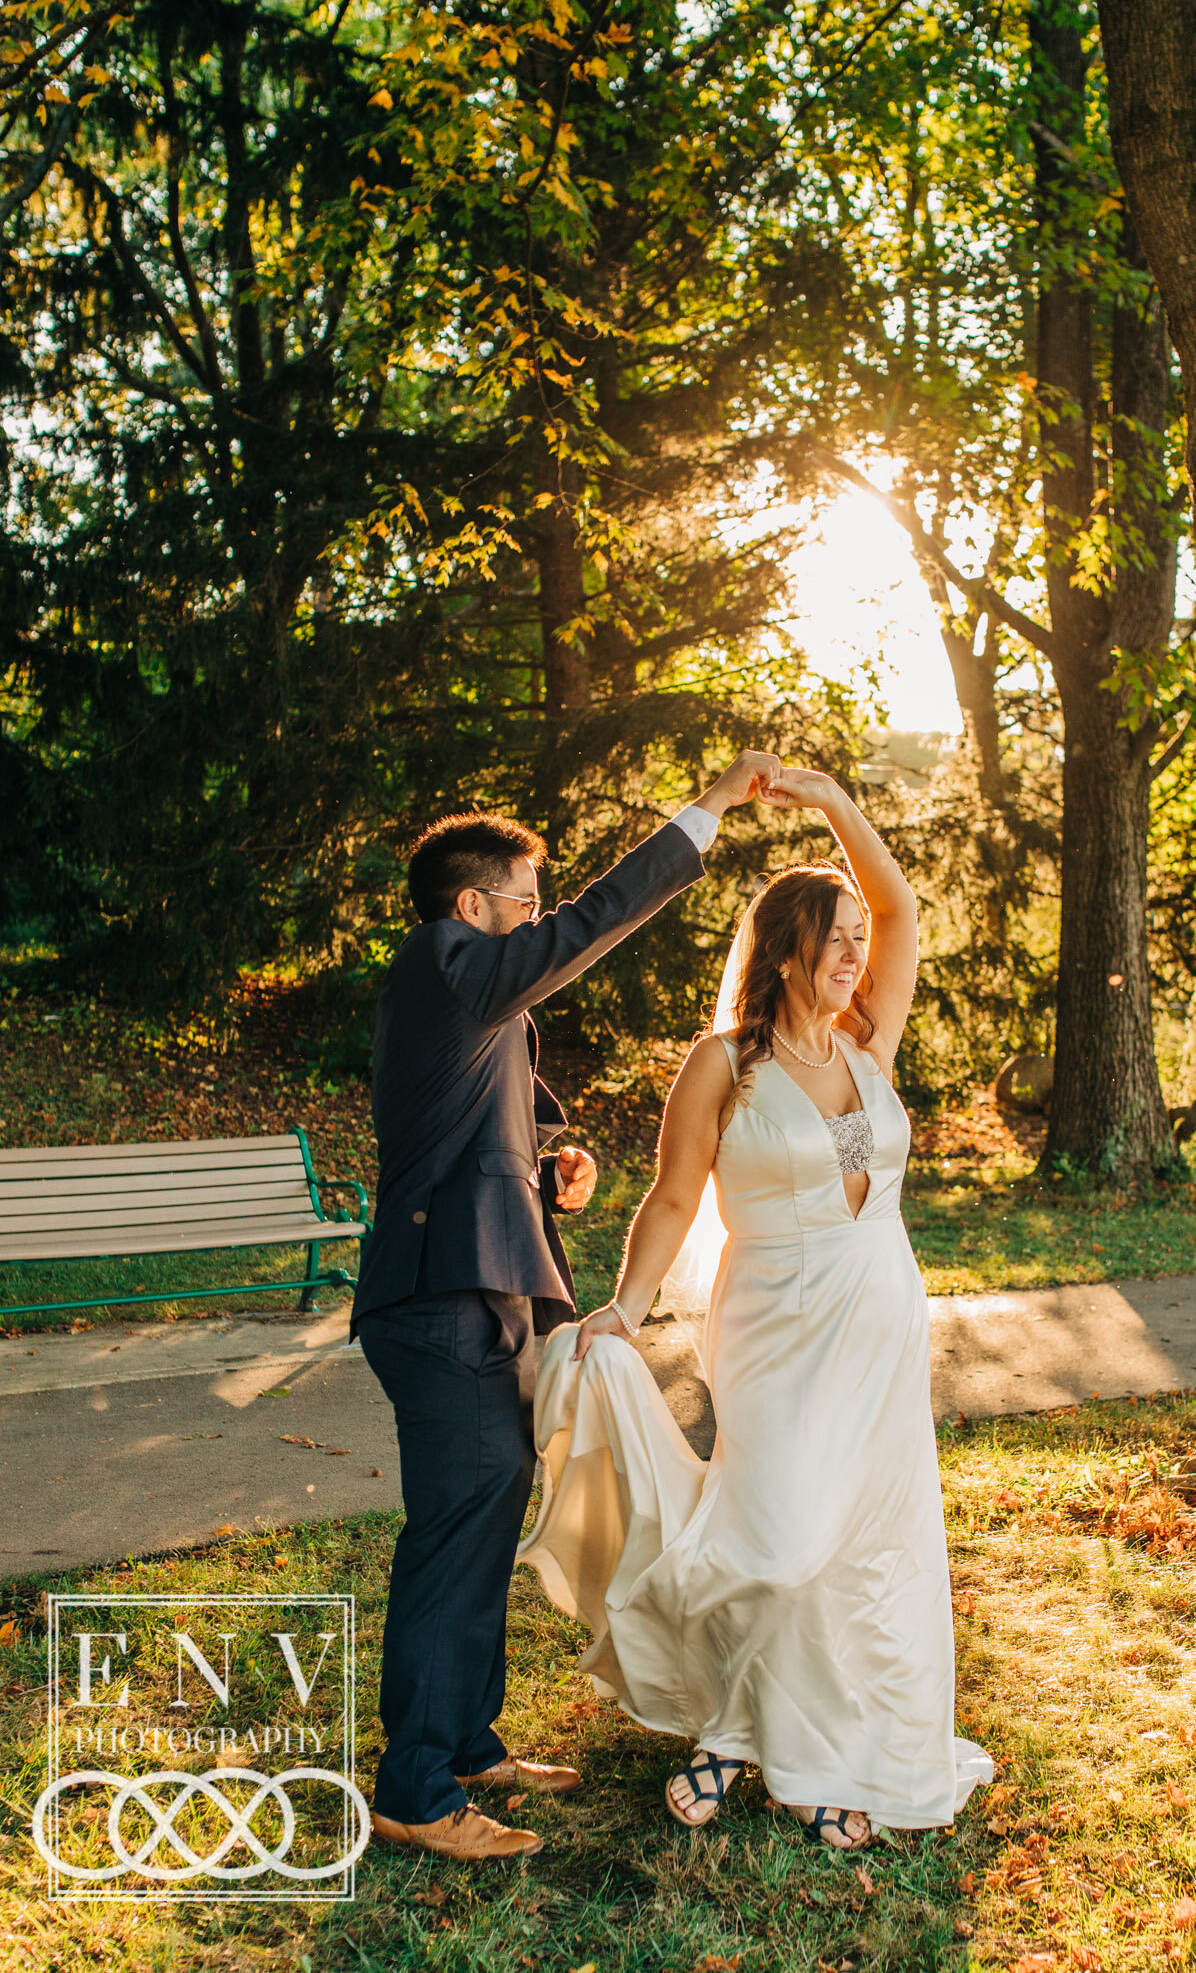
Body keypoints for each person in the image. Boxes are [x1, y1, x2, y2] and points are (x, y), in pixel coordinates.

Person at [519, 768, 994, 1848]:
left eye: (851, 939)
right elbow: (677, 1194)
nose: (852, 954)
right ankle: (735, 1724)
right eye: (829, 938)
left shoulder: (869, 1045)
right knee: (777, 1536)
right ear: (782, 950)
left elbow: (902, 907)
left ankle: (799, 1751)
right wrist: (628, 1308)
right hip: (777, 1326)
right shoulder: (723, 1065)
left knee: (859, 1547)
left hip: (879, 1323)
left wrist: (828, 795)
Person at [353, 750, 784, 1864]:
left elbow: (487, 1115)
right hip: (434, 1297)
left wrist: (557, 1156)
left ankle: (463, 1743)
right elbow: (592, 923)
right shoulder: (446, 959)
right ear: (471, 906)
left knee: (485, 1515)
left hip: (482, 1287)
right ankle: (412, 1786)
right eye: (525, 903)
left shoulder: (470, 995)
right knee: (454, 1531)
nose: (539, 919)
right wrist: (705, 816)